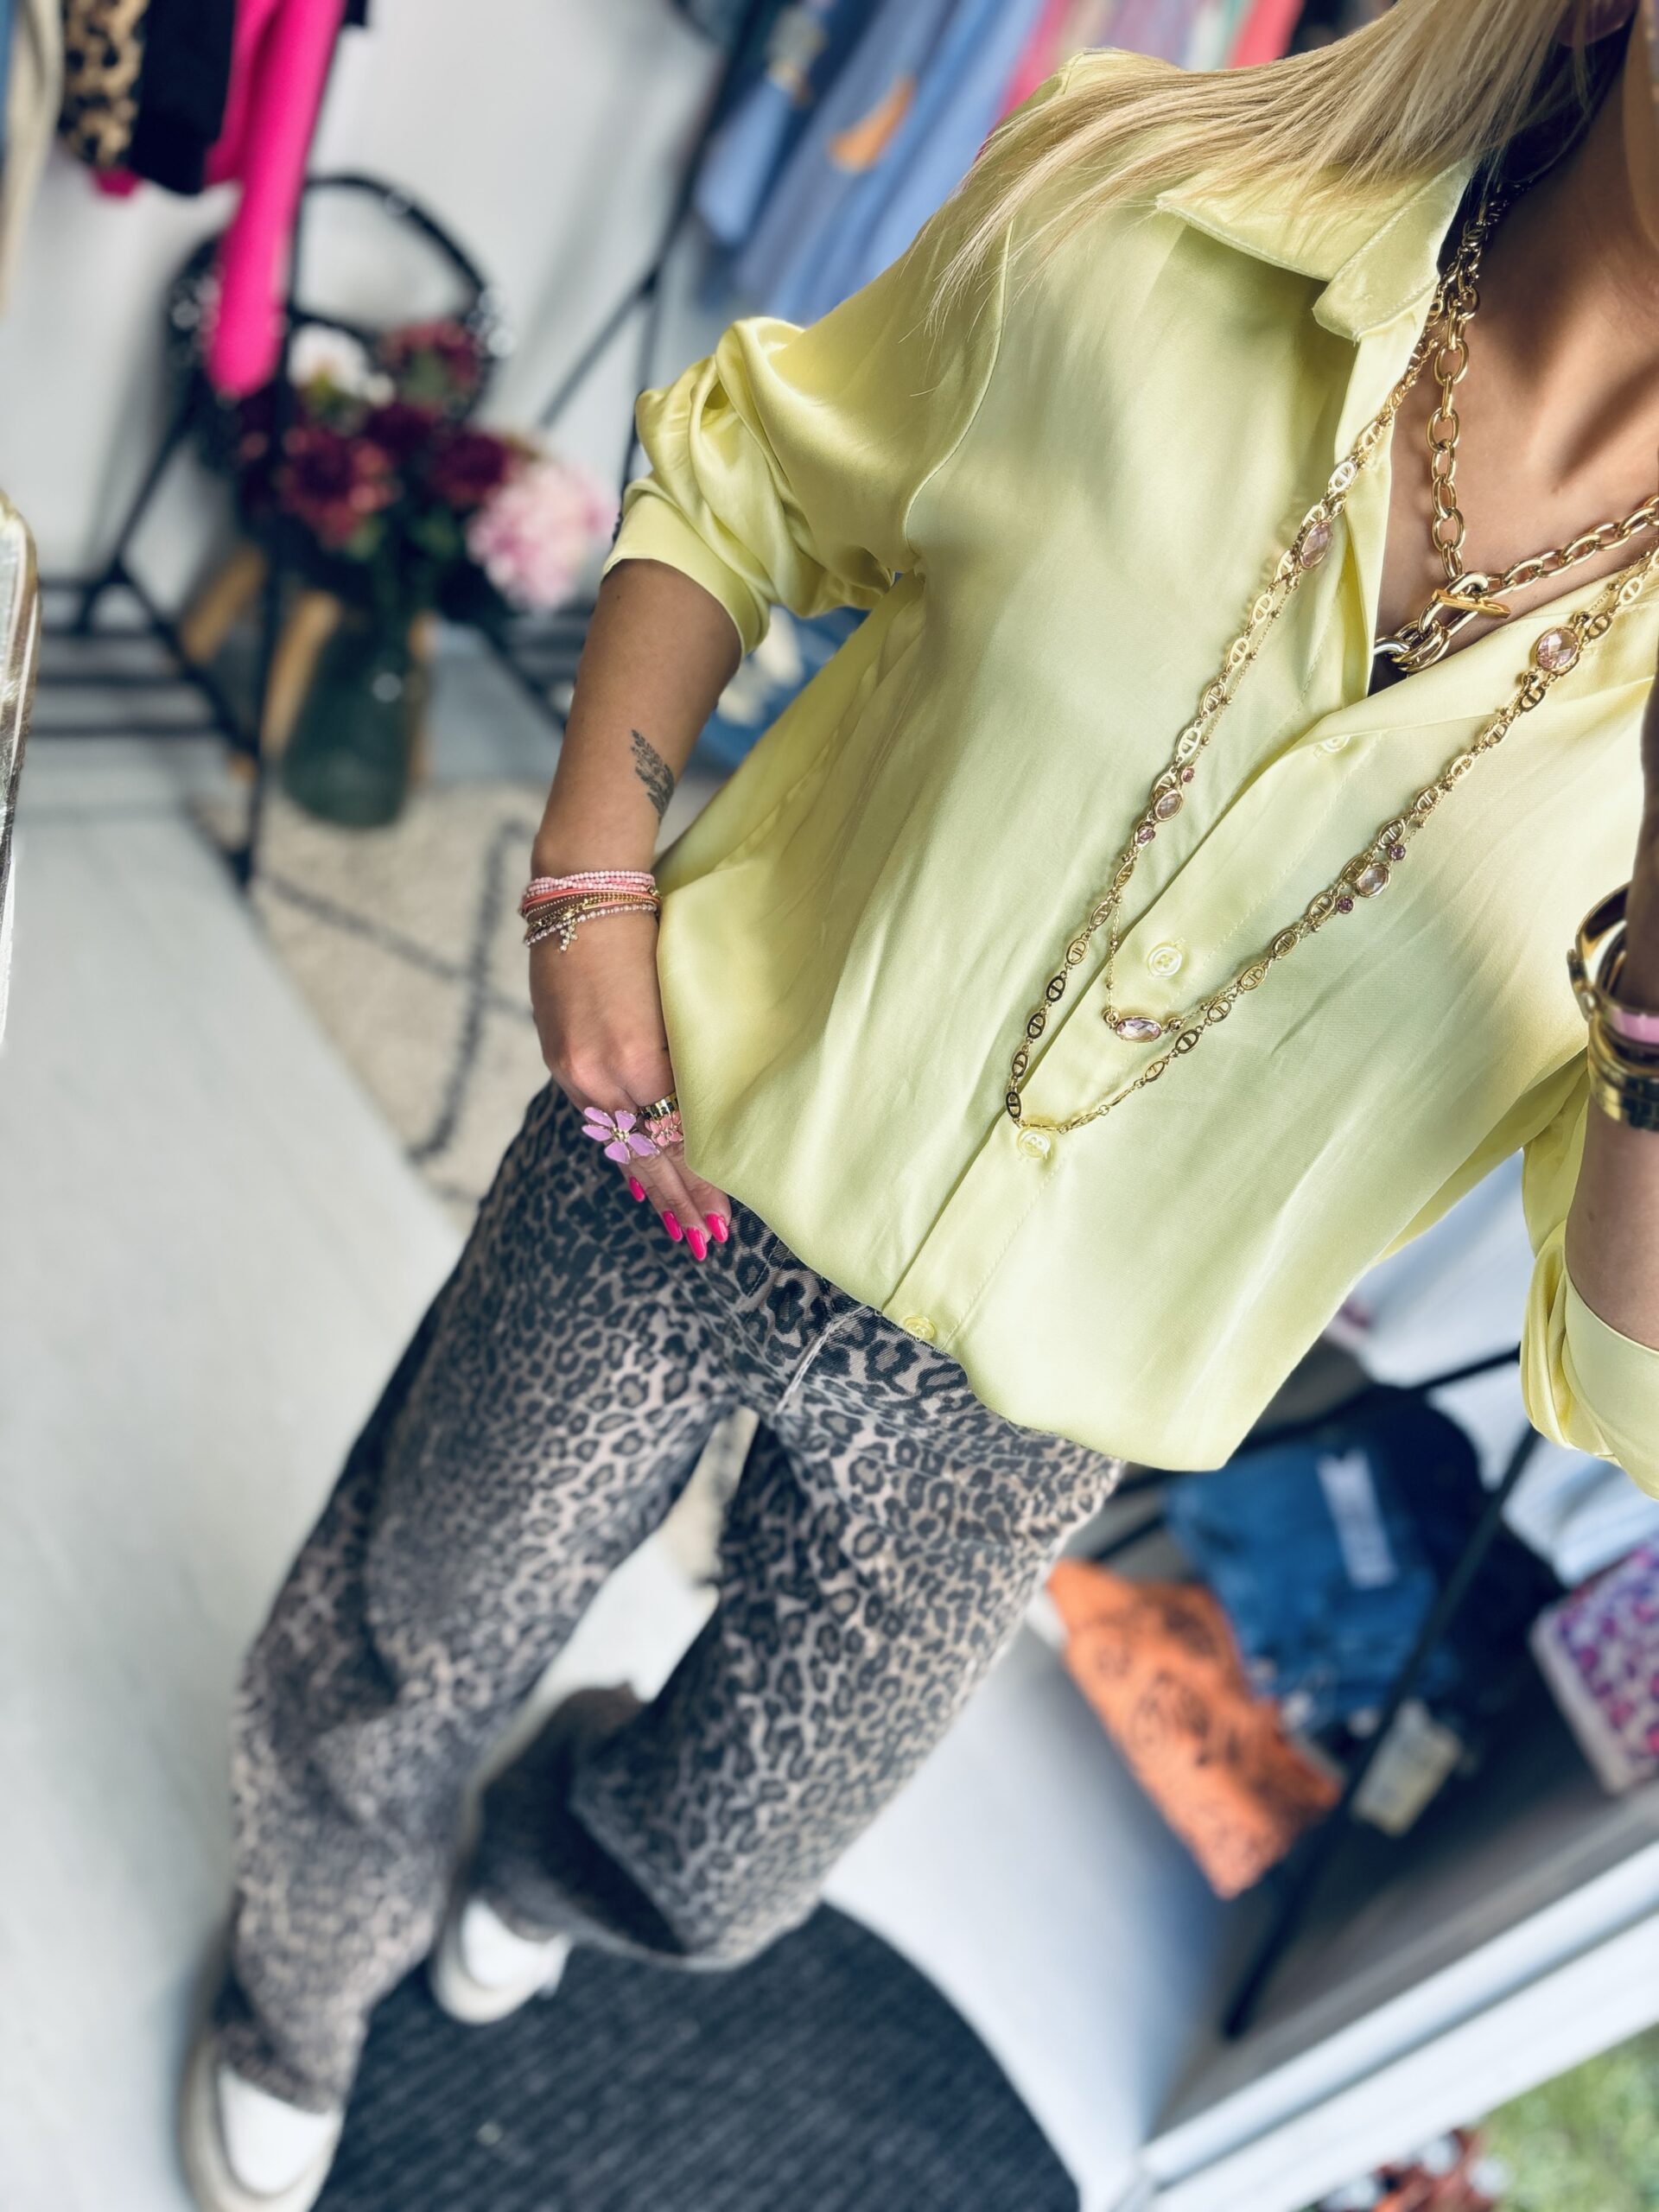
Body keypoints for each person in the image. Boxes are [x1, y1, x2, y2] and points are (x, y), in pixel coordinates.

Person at [181, 3, 1659, 2202]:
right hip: (690, 1140)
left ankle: (551, 1850)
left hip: (1019, 1411)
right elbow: (754, 475)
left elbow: (1626, 1379)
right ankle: (302, 1968)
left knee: (724, 1862)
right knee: (409, 1631)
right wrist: (590, 868)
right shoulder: (1153, 211)